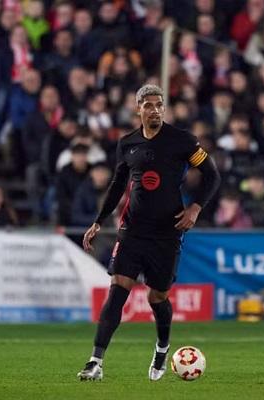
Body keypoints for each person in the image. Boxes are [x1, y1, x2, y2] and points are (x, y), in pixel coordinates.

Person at [77, 84, 220, 381]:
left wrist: (195, 208)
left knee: (158, 297)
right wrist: (99, 220)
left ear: (164, 109)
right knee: (118, 290)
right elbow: (118, 184)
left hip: (168, 232)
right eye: (149, 105)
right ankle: (95, 361)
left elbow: (212, 174)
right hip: (132, 230)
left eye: (159, 105)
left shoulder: (182, 141)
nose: (155, 110)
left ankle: (162, 348)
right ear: (138, 108)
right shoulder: (128, 143)